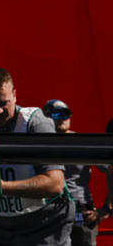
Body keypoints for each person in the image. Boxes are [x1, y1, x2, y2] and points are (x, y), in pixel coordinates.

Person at [0, 67, 73, 246]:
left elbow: (55, 184)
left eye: (4, 103)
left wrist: (1, 187)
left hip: (46, 226)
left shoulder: (35, 123)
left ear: (14, 95)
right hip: (2, 228)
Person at [44, 99, 104, 246]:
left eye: (65, 114)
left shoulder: (82, 143)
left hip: (81, 214)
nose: (62, 118)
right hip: (50, 214)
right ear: (46, 119)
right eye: (56, 115)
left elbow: (111, 169)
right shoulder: (41, 146)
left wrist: (107, 209)